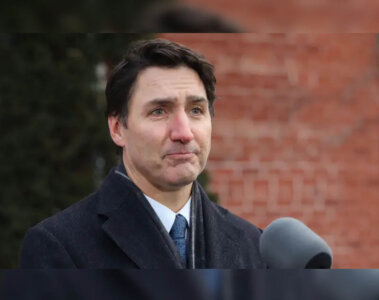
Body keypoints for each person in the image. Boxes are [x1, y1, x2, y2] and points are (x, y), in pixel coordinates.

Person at [19, 39, 266, 269]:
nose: (184, 133)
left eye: (196, 110)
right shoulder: (59, 247)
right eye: (159, 111)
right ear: (117, 129)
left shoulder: (252, 244)